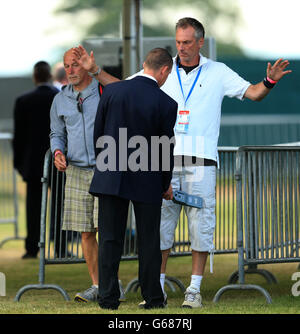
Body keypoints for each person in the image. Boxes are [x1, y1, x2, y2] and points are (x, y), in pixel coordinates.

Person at [72, 17, 291, 308]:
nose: (182, 48)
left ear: (200, 41)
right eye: (178, 42)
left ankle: (194, 289)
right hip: (162, 161)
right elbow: (125, 88)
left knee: (201, 227)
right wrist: (96, 71)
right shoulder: (163, 66)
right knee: (158, 229)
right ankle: (157, 288)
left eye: (187, 42)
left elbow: (253, 93)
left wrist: (270, 80)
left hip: (201, 161)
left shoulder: (218, 71)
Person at [89, 48, 178, 310]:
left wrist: (104, 164)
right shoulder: (166, 103)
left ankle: (108, 298)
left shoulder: (113, 91)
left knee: (109, 239)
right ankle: (152, 297)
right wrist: (164, 183)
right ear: (164, 70)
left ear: (143, 64)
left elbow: (98, 134)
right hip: (148, 179)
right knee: (149, 241)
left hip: (110, 174)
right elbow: (165, 149)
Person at [49, 47, 123, 303]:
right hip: (76, 171)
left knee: (106, 229)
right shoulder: (60, 99)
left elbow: (125, 89)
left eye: (76, 64)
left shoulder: (104, 90)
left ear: (86, 64)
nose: (70, 70)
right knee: (85, 232)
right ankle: (98, 285)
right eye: (67, 65)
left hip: (106, 168)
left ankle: (111, 284)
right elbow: (56, 133)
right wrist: (57, 151)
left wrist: (96, 69)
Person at [13, 61, 59, 259]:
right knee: (59, 205)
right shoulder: (58, 97)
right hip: (58, 159)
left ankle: (32, 247)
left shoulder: (23, 101)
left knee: (33, 207)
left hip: (32, 162)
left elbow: (19, 136)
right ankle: (60, 245)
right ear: (49, 76)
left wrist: (19, 163)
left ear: (35, 77)